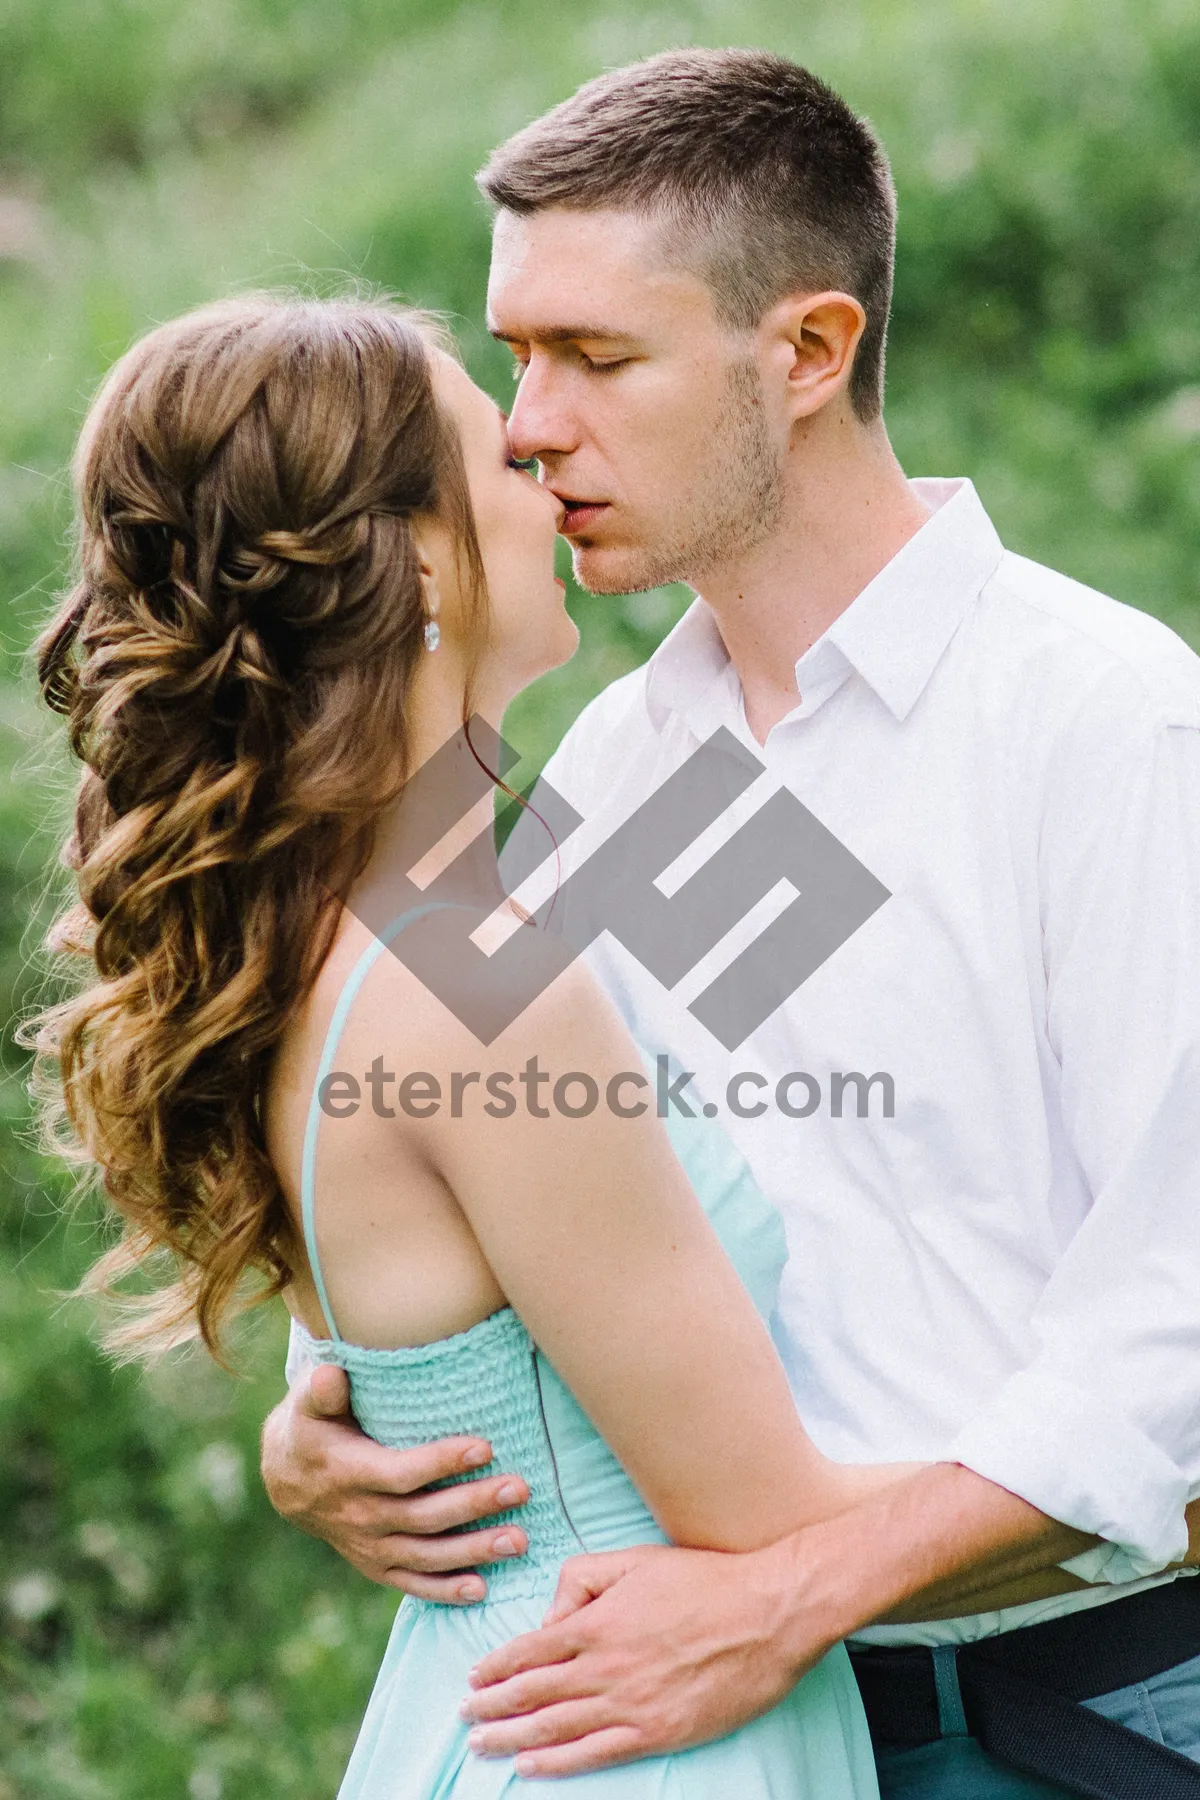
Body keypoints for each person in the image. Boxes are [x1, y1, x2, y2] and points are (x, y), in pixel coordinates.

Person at [263, 49, 1200, 1800]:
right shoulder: (628, 759)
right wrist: (335, 1405)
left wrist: (783, 1592)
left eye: (597, 358)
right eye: (517, 354)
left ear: (810, 353)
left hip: (1094, 1721)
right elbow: (573, 1180)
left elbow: (1180, 1328)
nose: (531, 424)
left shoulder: (1104, 725)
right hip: (756, 1726)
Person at [22, 290, 967, 1798]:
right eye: (497, 454)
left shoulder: (395, 901)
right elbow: (768, 1516)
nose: (544, 465)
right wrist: (1146, 1481)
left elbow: (888, 1124)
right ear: (412, 561)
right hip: (638, 1724)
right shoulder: (482, 973)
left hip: (511, 1698)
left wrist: (329, 1404)